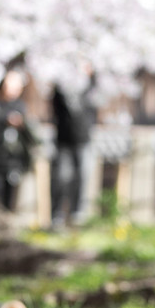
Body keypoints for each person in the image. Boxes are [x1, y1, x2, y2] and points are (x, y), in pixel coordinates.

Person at [0, 67, 38, 211]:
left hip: (13, 158)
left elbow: (30, 132)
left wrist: (22, 124)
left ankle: (6, 213)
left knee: (10, 192)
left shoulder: (20, 106)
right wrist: (5, 120)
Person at [50, 66, 96, 226]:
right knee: (61, 178)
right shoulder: (61, 90)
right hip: (64, 141)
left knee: (82, 177)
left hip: (84, 141)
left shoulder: (89, 90)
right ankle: (57, 215)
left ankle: (77, 214)